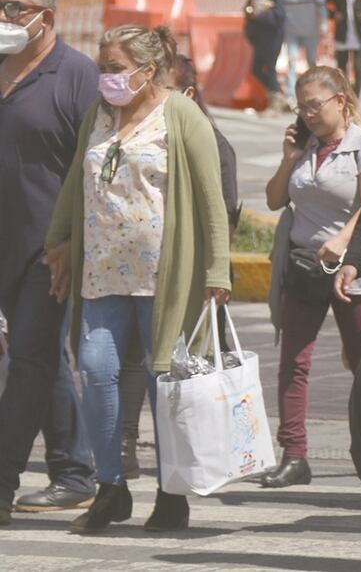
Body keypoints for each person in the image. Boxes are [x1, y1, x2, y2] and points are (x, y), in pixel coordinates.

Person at [44, 24, 232, 534]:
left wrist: (217, 270)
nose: (105, 77)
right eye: (102, 67)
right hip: (101, 273)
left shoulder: (181, 114)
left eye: (115, 68)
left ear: (148, 71)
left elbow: (211, 198)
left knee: (162, 384)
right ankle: (112, 488)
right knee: (95, 369)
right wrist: (58, 239)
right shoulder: (98, 115)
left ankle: (172, 495)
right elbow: (74, 182)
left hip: (164, 278)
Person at [0, 0, 97, 526]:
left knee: (31, 359)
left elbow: (96, 168)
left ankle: (4, 479)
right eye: (0, 7)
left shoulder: (77, 77)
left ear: (47, 18)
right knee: (44, 363)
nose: (6, 18)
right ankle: (73, 471)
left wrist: (68, 241)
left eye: (16, 8)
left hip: (49, 252)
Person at [116, 53, 241, 480]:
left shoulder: (211, 142)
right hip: (135, 275)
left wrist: (213, 273)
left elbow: (221, 214)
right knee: (131, 361)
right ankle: (125, 446)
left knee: (175, 371)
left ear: (186, 94)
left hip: (186, 283)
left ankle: (187, 461)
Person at [264, 66, 361, 488]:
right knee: (293, 363)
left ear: (341, 100)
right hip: (304, 267)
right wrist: (289, 160)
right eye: (303, 107)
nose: (310, 114)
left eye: (316, 104)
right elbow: (275, 198)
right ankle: (294, 454)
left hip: (353, 271)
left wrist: (344, 242)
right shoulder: (307, 148)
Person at [280, 0, 327, 102]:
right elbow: (280, 5)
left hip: (310, 30)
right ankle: (291, 96)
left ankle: (314, 93)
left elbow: (320, 3)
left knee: (311, 63)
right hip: (291, 29)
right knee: (292, 61)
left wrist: (323, 23)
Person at [244, 0, 289, 114]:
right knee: (256, 70)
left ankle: (275, 101)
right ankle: (277, 95)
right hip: (259, 39)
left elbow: (279, 14)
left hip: (271, 38)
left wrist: (260, 16)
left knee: (269, 68)